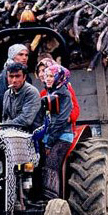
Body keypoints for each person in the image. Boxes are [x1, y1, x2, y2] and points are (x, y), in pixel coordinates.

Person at [37, 63, 75, 201]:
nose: (47, 78)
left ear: (60, 77)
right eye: (46, 75)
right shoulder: (50, 92)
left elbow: (60, 122)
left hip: (62, 137)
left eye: (51, 76)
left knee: (51, 164)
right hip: (49, 136)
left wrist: (48, 143)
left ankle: (52, 201)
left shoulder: (64, 94)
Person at [36, 56, 80, 129]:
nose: (41, 74)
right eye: (39, 71)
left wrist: (68, 119)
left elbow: (75, 108)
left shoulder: (65, 88)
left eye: (43, 70)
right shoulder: (43, 93)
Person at [0, 43, 30, 121]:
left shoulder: (24, 72)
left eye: (26, 55)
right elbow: (1, 99)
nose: (24, 58)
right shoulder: (5, 74)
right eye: (20, 54)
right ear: (13, 56)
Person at [1, 61, 42, 130]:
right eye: (11, 76)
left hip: (30, 135)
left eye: (17, 76)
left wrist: (4, 127)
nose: (14, 80)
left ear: (24, 77)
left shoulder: (31, 92)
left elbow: (25, 120)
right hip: (11, 133)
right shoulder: (7, 93)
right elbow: (5, 117)